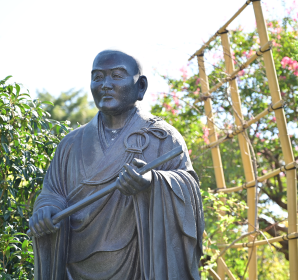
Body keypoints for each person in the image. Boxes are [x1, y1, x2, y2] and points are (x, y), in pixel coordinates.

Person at [29, 50, 204, 280]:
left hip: (140, 265)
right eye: (98, 77)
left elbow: (189, 192)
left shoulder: (163, 137)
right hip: (76, 263)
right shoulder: (70, 145)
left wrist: (153, 183)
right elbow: (52, 193)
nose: (106, 84)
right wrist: (47, 210)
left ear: (140, 86)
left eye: (117, 76)